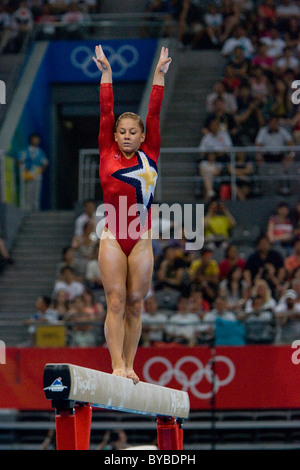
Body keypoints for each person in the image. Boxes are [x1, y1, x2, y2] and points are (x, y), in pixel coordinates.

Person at [93, 44, 171, 383]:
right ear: (114, 135)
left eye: (133, 133)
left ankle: (131, 363)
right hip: (113, 234)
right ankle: (117, 366)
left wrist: (158, 76)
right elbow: (106, 111)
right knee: (116, 300)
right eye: (122, 132)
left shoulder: (150, 153)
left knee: (136, 302)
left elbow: (153, 113)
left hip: (140, 237)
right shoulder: (106, 151)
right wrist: (107, 75)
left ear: (142, 138)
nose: (127, 136)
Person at [17, 133, 48, 211]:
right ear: (31, 140)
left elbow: (45, 163)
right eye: (34, 139)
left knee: (36, 193)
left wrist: (40, 171)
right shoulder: (25, 151)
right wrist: (23, 169)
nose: (35, 140)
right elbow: (18, 161)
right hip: (28, 175)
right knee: (28, 193)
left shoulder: (40, 152)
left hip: (37, 176)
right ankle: (27, 209)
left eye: (37, 139)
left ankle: (36, 209)